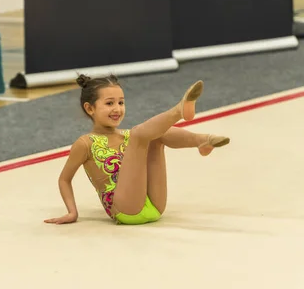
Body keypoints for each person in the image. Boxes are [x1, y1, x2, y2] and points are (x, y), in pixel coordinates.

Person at [44, 75, 230, 226]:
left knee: (155, 135)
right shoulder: (86, 143)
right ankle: (178, 111)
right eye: (109, 103)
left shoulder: (128, 137)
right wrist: (72, 212)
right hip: (125, 210)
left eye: (121, 103)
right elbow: (64, 179)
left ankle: (201, 141)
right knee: (140, 134)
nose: (117, 109)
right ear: (90, 108)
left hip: (155, 206)